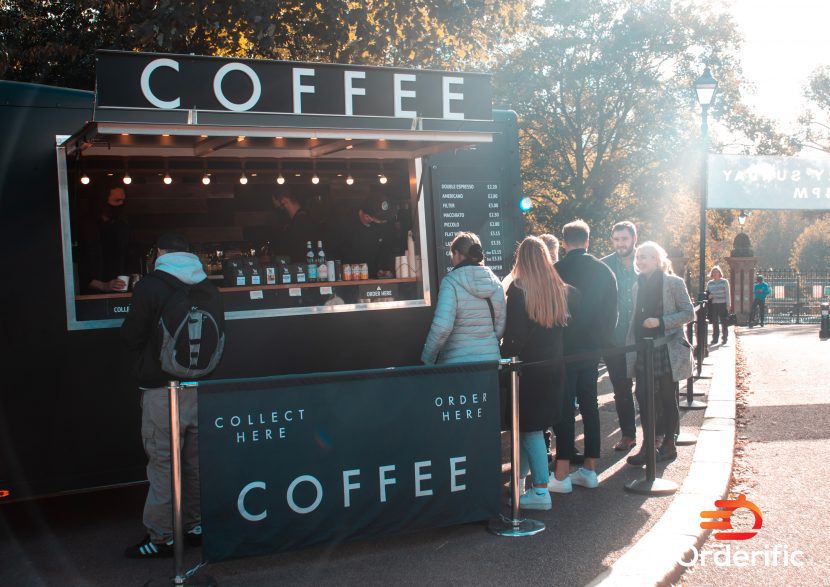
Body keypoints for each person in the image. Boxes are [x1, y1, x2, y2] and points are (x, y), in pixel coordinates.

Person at [120, 233, 225, 559]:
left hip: (162, 392)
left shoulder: (151, 286)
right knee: (195, 464)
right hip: (200, 389)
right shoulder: (209, 286)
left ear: (161, 253)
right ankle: (195, 526)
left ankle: (162, 538)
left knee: (164, 465)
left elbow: (131, 336)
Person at [500, 237, 576, 510]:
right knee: (529, 428)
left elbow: (514, 337)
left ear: (521, 259)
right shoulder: (559, 289)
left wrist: (503, 352)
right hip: (554, 367)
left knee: (529, 429)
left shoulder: (519, 291)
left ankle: (541, 490)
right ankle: (520, 482)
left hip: (527, 370)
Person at [549, 220, 617, 493]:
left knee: (564, 408)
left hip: (562, 347)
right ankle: (589, 468)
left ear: (564, 242)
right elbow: (612, 314)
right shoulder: (604, 270)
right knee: (590, 405)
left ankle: (562, 472)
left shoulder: (555, 270)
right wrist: (601, 342)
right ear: (588, 241)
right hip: (591, 348)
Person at [625, 242, 694, 466]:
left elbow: (689, 313)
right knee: (643, 397)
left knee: (667, 397)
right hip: (644, 349)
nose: (640, 261)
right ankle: (648, 445)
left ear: (657, 259)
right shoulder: (637, 285)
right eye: (638, 257)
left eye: (645, 257)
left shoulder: (673, 282)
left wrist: (661, 322)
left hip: (667, 347)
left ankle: (669, 443)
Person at [421, 232, 505, 364]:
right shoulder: (496, 283)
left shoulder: (450, 282)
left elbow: (442, 327)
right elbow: (499, 328)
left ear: (457, 253)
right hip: (490, 364)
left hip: (458, 366)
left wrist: (427, 359)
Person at [600, 221, 639, 452]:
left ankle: (657, 436)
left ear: (633, 238)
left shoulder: (645, 260)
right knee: (621, 389)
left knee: (645, 389)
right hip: (613, 338)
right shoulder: (604, 265)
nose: (620, 244)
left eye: (624, 239)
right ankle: (628, 435)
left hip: (641, 335)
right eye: (616, 239)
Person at [330, 193, 398, 279]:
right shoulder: (344, 224)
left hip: (374, 279)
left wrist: (382, 269)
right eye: (381, 221)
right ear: (367, 217)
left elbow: (385, 249)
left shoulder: (382, 227)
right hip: (348, 278)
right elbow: (333, 251)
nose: (384, 222)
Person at [80, 185, 131, 292]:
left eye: (123, 201)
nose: (121, 204)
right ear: (103, 201)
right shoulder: (86, 228)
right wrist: (103, 285)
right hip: (90, 295)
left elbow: (127, 258)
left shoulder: (122, 228)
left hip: (120, 291)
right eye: (117, 200)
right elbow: (79, 267)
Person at [272, 191, 322, 263]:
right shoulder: (303, 219)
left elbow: (299, 253)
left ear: (284, 200)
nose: (278, 210)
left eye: (277, 207)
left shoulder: (301, 221)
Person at [706, 266, 732, 344]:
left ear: (720, 273)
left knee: (724, 322)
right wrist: (709, 296)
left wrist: (728, 304)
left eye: (716, 272)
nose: (715, 273)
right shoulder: (709, 283)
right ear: (712, 274)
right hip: (713, 304)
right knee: (715, 322)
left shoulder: (724, 282)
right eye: (713, 272)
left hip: (723, 304)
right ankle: (715, 338)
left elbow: (728, 293)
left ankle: (724, 338)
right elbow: (707, 293)